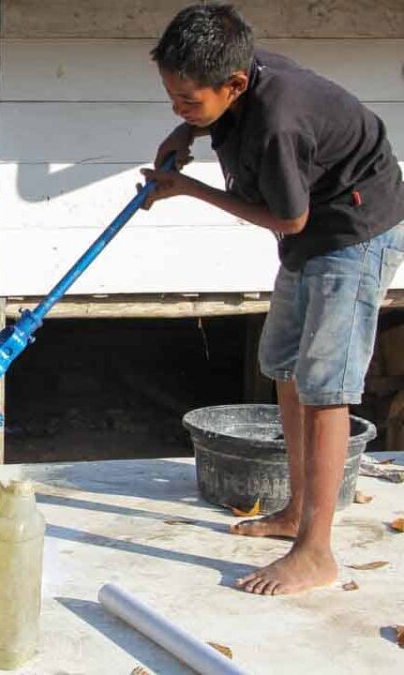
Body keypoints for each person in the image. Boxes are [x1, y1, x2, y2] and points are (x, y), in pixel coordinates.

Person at [140, 3, 404, 595]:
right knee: (283, 364)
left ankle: (317, 552)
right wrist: (189, 129)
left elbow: (288, 218)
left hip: (353, 234)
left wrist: (188, 188)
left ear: (233, 84)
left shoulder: (279, 123)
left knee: (325, 387)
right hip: (314, 230)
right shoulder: (246, 73)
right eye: (172, 97)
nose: (177, 109)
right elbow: (289, 214)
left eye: (188, 101)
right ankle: (294, 511)